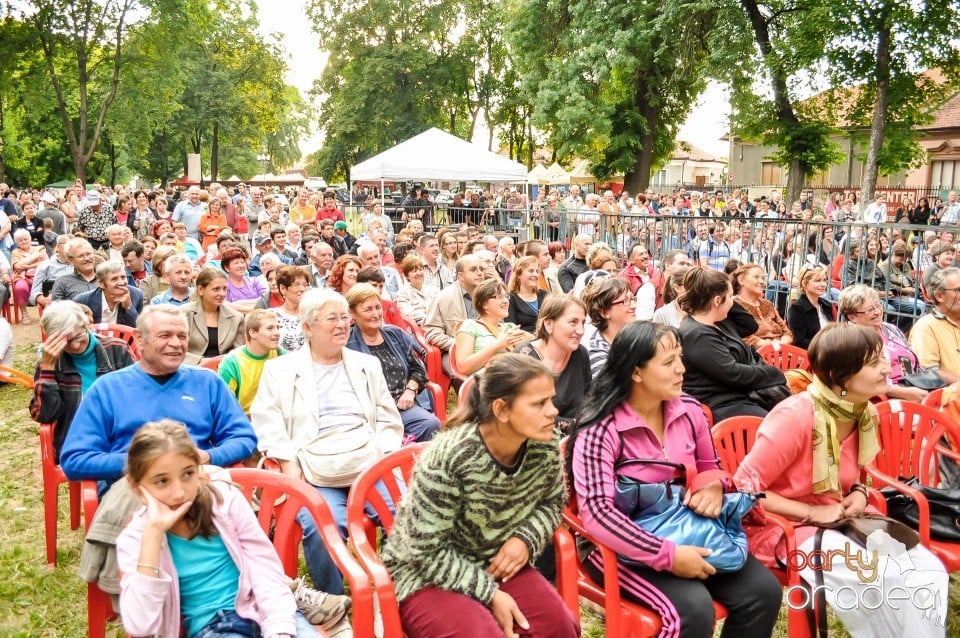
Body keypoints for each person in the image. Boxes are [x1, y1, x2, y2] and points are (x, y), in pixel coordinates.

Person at [567, 321, 782, 638]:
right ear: (636, 372)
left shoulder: (690, 411)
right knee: (693, 610)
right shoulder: (600, 428)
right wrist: (668, 556)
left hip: (684, 525)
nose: (681, 369)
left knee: (762, 593)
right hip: (615, 544)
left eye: (680, 358)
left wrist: (712, 487)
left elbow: (712, 467)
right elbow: (598, 513)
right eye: (668, 363)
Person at [733, 323, 948, 637]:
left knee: (929, 571)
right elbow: (743, 491)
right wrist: (811, 513)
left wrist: (860, 493)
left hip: (843, 518)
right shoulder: (795, 417)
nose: (887, 368)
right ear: (839, 376)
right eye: (874, 363)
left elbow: (856, 477)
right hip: (781, 528)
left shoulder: (864, 413)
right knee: (879, 577)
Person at [381, 354, 579, 638]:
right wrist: (490, 594)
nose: (552, 411)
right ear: (501, 409)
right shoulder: (450, 457)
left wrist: (526, 538)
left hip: (496, 560)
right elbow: (423, 550)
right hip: (426, 574)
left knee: (560, 629)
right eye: (539, 403)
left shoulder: (543, 444)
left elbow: (552, 502)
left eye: (551, 400)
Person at [116, 420, 350, 638]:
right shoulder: (136, 538)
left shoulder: (224, 501)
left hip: (263, 610)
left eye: (188, 474)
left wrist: (279, 630)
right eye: (161, 481)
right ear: (137, 488)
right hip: (214, 628)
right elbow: (140, 624)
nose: (179, 492)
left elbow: (265, 571)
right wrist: (153, 535)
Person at [250, 288, 403, 596]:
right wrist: (289, 464)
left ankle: (397, 590)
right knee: (322, 525)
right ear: (307, 327)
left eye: (345, 317)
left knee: (405, 513)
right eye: (332, 318)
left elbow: (388, 418)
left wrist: (384, 456)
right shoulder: (280, 370)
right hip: (313, 467)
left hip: (367, 460)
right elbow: (267, 422)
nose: (342, 325)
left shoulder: (365, 364)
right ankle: (331, 602)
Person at [59, 305, 257, 487]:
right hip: (133, 488)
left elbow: (244, 438)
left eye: (182, 336)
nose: (175, 344)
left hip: (197, 485)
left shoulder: (207, 382)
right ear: (139, 339)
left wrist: (208, 456)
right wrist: (146, 461)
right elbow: (75, 459)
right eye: (165, 335)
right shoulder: (107, 389)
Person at [29, 301, 135, 460]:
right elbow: (44, 415)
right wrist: (48, 367)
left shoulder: (117, 349)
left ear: (87, 326)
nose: (76, 345)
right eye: (66, 342)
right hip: (78, 441)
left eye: (79, 336)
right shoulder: (51, 362)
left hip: (120, 433)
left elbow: (136, 395)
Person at [678, 268, 786, 421]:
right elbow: (733, 374)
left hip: (746, 393)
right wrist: (775, 374)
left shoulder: (719, 320)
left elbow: (750, 326)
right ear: (716, 301)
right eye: (730, 297)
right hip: (724, 402)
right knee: (779, 423)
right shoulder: (698, 335)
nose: (733, 301)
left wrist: (724, 299)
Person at [346, 284, 440, 442]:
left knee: (431, 424)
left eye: (378, 307)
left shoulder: (394, 334)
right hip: (368, 413)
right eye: (368, 309)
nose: (376, 314)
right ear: (352, 313)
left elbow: (419, 368)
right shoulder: (347, 343)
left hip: (402, 406)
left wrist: (410, 390)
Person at [837, 284, 930, 403]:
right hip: (884, 399)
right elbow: (859, 382)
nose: (877, 312)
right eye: (870, 310)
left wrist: (926, 383)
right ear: (852, 317)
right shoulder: (850, 340)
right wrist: (903, 392)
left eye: (878, 305)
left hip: (913, 385)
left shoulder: (890, 329)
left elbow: (913, 359)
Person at [515, 295, 591, 429]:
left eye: (583, 323)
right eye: (573, 322)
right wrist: (577, 425)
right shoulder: (524, 359)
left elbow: (589, 400)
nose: (581, 331)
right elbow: (529, 416)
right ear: (549, 324)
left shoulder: (580, 353)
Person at [424, 254, 487, 377]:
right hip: (453, 351)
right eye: (474, 269)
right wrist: (459, 345)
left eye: (481, 269)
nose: (479, 273)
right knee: (468, 378)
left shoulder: (490, 296)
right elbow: (432, 332)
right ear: (460, 276)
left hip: (486, 349)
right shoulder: (443, 298)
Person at [454, 278, 528, 377]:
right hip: (487, 384)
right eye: (500, 297)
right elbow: (463, 367)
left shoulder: (510, 327)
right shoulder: (470, 326)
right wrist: (498, 345)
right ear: (484, 304)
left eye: (506, 297)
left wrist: (530, 339)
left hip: (515, 379)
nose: (506, 301)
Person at [219, 309, 284, 416]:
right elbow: (224, 407)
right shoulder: (231, 363)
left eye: (277, 328)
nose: (277, 333)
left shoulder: (281, 353)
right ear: (252, 333)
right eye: (270, 328)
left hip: (276, 418)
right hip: (244, 422)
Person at [182, 268, 244, 365]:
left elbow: (238, 353)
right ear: (200, 290)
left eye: (224, 289)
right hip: (191, 369)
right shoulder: (183, 314)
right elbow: (175, 351)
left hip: (223, 370)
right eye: (216, 289)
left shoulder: (236, 317)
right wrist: (201, 361)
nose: (222, 294)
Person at [581, 277, 636, 377]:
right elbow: (609, 390)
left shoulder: (635, 338)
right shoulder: (597, 352)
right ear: (604, 312)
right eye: (626, 301)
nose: (633, 305)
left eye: (632, 299)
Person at [731, 263, 793, 349]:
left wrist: (781, 343)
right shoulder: (733, 306)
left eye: (763, 278)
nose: (761, 281)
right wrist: (771, 345)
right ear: (741, 280)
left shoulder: (768, 304)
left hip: (781, 351)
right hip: (755, 356)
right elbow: (743, 338)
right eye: (756, 277)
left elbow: (787, 332)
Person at [75, 261, 145, 328]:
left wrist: (129, 307)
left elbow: (139, 330)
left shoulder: (136, 295)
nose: (121, 282)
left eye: (123, 277)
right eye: (114, 279)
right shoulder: (83, 301)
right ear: (101, 284)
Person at [786, 264, 833, 349]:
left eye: (824, 280)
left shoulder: (826, 305)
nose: (823, 284)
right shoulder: (797, 309)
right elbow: (799, 341)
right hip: (810, 355)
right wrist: (823, 348)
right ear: (804, 283)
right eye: (817, 281)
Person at [10, 228, 47, 323]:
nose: (23, 242)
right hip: (22, 278)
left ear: (30, 238)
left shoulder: (40, 248)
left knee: (48, 286)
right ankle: (24, 313)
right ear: (16, 242)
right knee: (20, 287)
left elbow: (45, 263)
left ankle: (47, 313)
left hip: (40, 277)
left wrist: (25, 266)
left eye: (25, 239)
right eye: (20, 240)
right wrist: (35, 258)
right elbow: (17, 267)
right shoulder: (15, 252)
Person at [271, 265, 311, 351]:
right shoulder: (271, 315)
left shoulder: (312, 315)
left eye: (305, 285)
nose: (302, 289)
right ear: (283, 289)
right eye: (297, 285)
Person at [506, 255, 548, 333]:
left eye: (537, 271)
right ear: (518, 274)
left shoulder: (544, 295)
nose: (535, 275)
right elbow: (511, 328)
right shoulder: (510, 298)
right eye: (531, 271)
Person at [395, 254, 437, 324]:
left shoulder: (434, 290)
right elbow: (408, 313)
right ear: (407, 276)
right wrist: (428, 320)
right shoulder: (402, 294)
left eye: (420, 270)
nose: (419, 273)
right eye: (414, 271)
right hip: (418, 327)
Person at [222, 246, 267, 313]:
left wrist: (237, 304)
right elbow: (224, 306)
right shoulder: (223, 285)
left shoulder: (255, 281)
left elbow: (265, 299)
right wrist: (254, 310)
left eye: (242, 262)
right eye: (236, 263)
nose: (241, 265)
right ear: (227, 268)